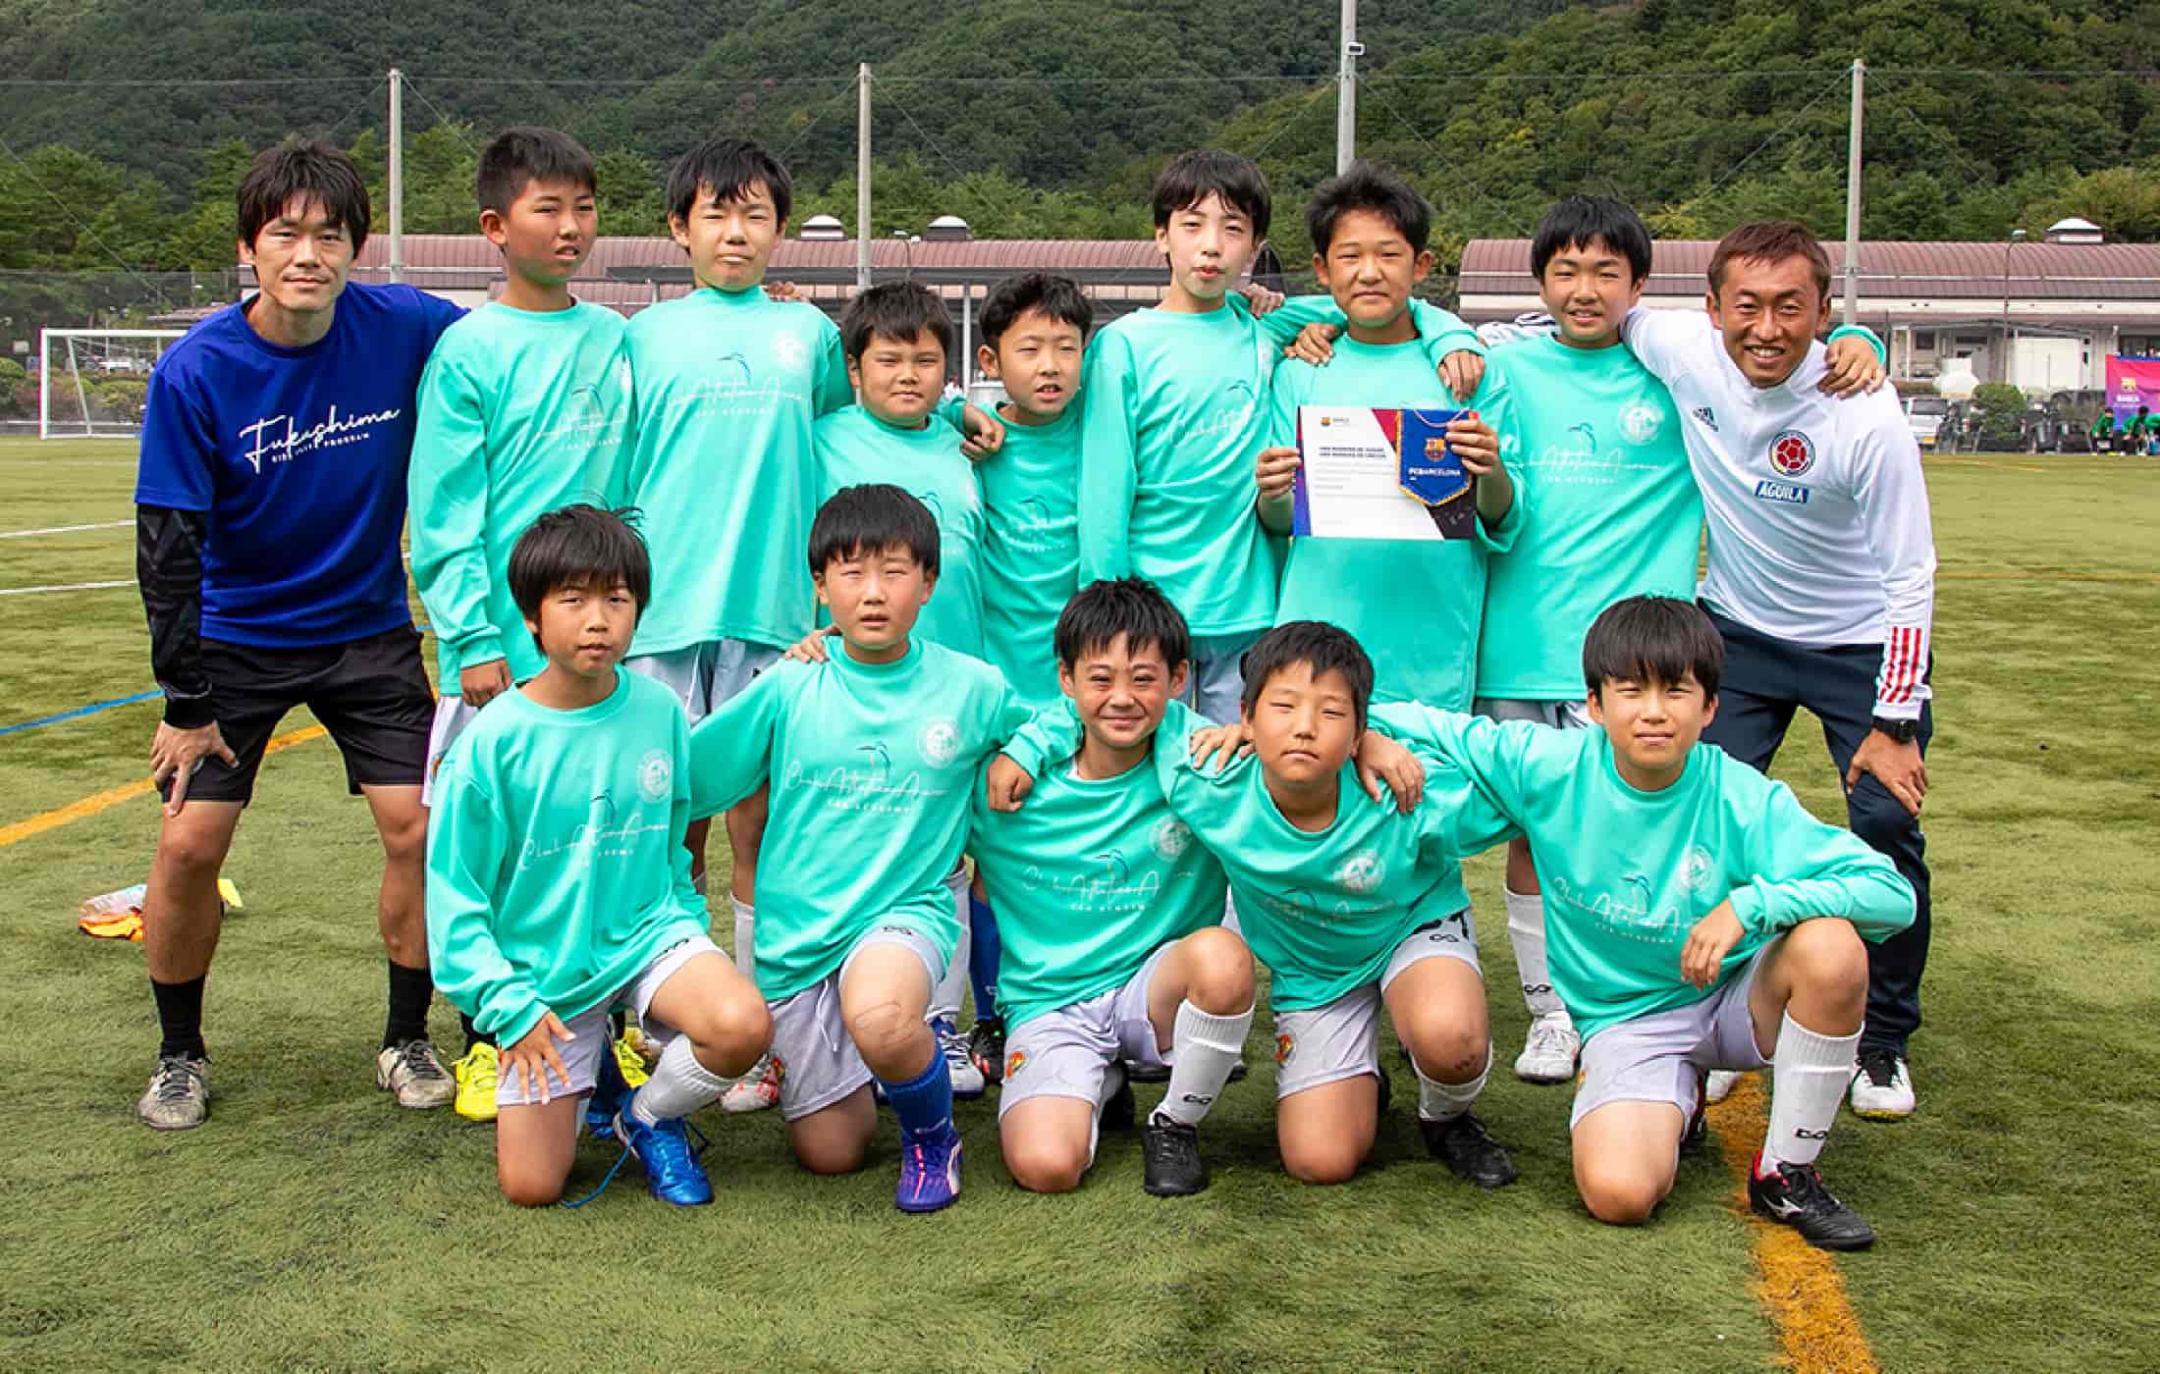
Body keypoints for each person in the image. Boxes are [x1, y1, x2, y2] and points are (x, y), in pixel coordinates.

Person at [1371, 596, 1916, 1250]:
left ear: (1710, 707)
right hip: (1630, 1022)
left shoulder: (1741, 795)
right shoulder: (1549, 765)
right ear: (1595, 705)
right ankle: (1677, 1099)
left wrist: (1753, 906)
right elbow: (1399, 718)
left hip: (1738, 998)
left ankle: (1786, 1173)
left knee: (1831, 945)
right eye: (1631, 691)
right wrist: (1367, 738)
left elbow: (1892, 894)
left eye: (1676, 691)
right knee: (1619, 1195)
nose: (1654, 711)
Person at [132, 141, 463, 1130]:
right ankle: (179, 1055)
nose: (308, 254)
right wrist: (186, 702)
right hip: (234, 640)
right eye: (285, 234)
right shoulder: (196, 372)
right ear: (250, 247)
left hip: (367, 630)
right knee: (190, 844)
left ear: (357, 247)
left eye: (329, 235)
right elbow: (167, 550)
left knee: (419, 829)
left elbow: (521, 343)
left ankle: (406, 1038)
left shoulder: (405, 325)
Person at [997, 623, 1512, 1189]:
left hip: (1412, 930)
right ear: (1246, 716)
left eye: (1332, 714)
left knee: (1449, 1038)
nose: (1304, 727)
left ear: (1356, 727)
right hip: (1317, 974)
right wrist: (1028, 748)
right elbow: (1115, 702)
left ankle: (1446, 1117)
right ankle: (1359, 1079)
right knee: (1319, 1162)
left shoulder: (1403, 785)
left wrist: (1382, 737)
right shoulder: (1208, 776)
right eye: (1283, 707)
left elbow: (1520, 789)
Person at [1619, 221, 1935, 1121]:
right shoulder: (1681, 347)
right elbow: (1593, 311)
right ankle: (1722, 1015)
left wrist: (1896, 722)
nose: (1766, 328)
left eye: (1790, 308)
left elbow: (1911, 576)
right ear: (1711, 308)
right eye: (1746, 306)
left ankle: (1881, 1039)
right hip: (1741, 636)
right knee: (1697, 817)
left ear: (1823, 312)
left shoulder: (1864, 413)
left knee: (1884, 827)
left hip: (1858, 644)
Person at [685, 485, 1035, 1213]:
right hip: (801, 939)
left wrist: (1025, 750)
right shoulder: (791, 682)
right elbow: (696, 773)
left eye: (894, 572)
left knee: (879, 1012)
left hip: (905, 915)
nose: (873, 593)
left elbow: (1056, 729)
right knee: (832, 1153)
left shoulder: (971, 687)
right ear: (820, 587)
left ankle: (933, 1137)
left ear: (928, 582)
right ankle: (877, 1064)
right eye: (851, 573)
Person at [425, 506, 771, 1206]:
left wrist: (683, 919)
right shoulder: (491, 744)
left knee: (742, 1026)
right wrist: (510, 1007)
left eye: (616, 600)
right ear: (531, 616)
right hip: (546, 977)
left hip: (647, 936)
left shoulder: (660, 710)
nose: (598, 621)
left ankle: (647, 1116)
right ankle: (599, 1075)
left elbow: (675, 837)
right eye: (573, 600)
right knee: (532, 1186)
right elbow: (455, 902)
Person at [1078, 149, 1487, 724]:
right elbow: (1104, 490)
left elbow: (1372, 301)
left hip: (1251, 611)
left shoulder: (1262, 329)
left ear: (1255, 246)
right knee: (1144, 759)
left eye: (1233, 229)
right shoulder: (1123, 345)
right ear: (1161, 236)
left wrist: (1449, 333)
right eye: (1192, 226)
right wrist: (1107, 610)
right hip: (1149, 617)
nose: (1211, 246)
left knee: (1236, 762)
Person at [409, 126, 635, 1123]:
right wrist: (471, 638)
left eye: (585, 208)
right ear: (496, 227)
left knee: (598, 837)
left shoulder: (615, 337)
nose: (571, 227)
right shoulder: (469, 350)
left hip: (600, 648)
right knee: (487, 846)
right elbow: (444, 511)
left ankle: (601, 1029)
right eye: (549, 208)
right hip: (503, 652)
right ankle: (483, 1036)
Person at [970, 578, 1254, 1197]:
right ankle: (1101, 1080)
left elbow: (1310, 745)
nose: (1122, 698)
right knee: (1046, 1168)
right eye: (1100, 679)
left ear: (1179, 679)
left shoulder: (1206, 766)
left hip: (1155, 992)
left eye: (1143, 679)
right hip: (1052, 1002)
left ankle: (1174, 1123)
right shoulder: (1007, 780)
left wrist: (1364, 738)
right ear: (1065, 679)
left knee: (1224, 960)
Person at [1256, 162, 1518, 718]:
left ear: (1421, 265)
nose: (1369, 272)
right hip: (1315, 640)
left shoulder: (1468, 371)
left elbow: (1504, 517)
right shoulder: (1300, 371)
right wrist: (1273, 490)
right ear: (1322, 270)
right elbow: (1279, 520)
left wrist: (1489, 469)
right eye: (1350, 256)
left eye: (1389, 254)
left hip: (1432, 647)